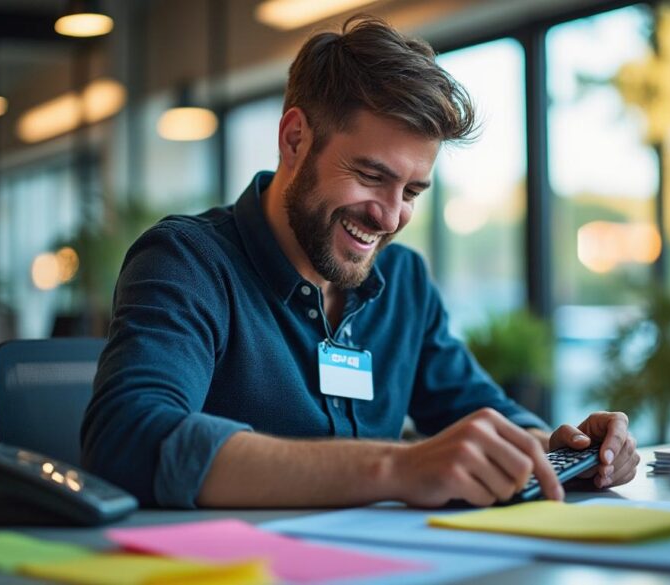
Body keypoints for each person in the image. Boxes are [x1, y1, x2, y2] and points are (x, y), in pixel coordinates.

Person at [81, 16, 639, 509]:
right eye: (371, 176)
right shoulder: (190, 261)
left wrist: (564, 448)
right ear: (295, 139)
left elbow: (481, 410)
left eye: (413, 191)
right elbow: (127, 437)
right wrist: (396, 468)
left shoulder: (403, 283)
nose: (391, 217)